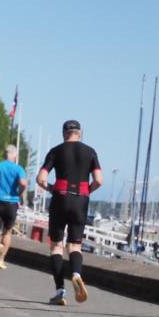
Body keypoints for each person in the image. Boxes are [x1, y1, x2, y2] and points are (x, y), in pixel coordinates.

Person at [35, 120, 102, 305]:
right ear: (79, 133)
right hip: (81, 199)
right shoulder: (90, 152)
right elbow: (99, 180)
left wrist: (50, 188)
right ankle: (76, 273)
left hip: (60, 197)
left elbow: (40, 178)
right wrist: (86, 191)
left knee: (57, 246)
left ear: (64, 133)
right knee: (75, 246)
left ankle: (60, 292)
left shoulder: (56, 151)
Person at [0, 144, 28, 269]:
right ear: (15, 155)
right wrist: (20, 192)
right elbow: (23, 183)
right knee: (7, 232)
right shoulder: (18, 169)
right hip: (12, 202)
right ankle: (1, 260)